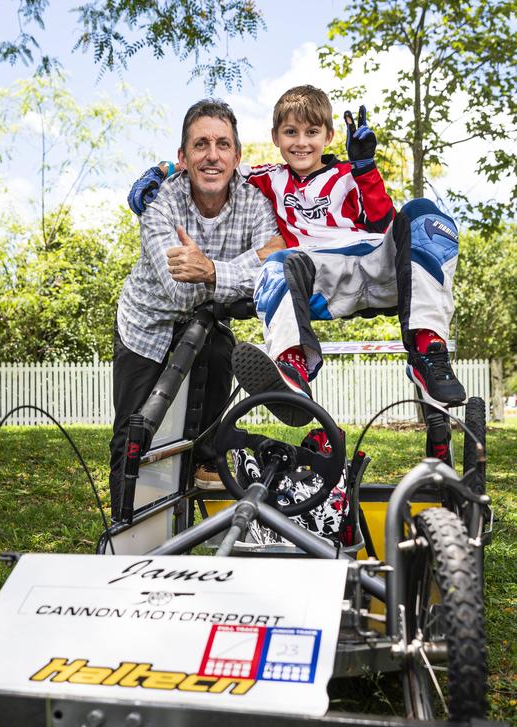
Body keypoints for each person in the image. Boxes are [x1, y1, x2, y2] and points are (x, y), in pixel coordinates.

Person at [129, 85, 465, 431]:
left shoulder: (351, 176)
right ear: (276, 137)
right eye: (291, 132)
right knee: (277, 262)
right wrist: (162, 170)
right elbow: (217, 165)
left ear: (329, 135)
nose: (301, 142)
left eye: (312, 132)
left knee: (425, 214)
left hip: (377, 267)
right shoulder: (267, 178)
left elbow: (382, 223)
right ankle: (291, 368)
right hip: (319, 278)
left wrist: (365, 168)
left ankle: (428, 349)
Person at [110, 99, 279, 519]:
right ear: (182, 158)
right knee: (134, 433)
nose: (212, 154)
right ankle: (127, 527)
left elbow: (275, 257)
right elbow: (179, 293)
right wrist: (236, 273)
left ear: (237, 157)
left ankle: (207, 455)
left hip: (208, 322)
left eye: (223, 144)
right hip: (147, 327)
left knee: (220, 353)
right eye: (200, 144)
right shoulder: (160, 203)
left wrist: (210, 270)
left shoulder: (253, 203)